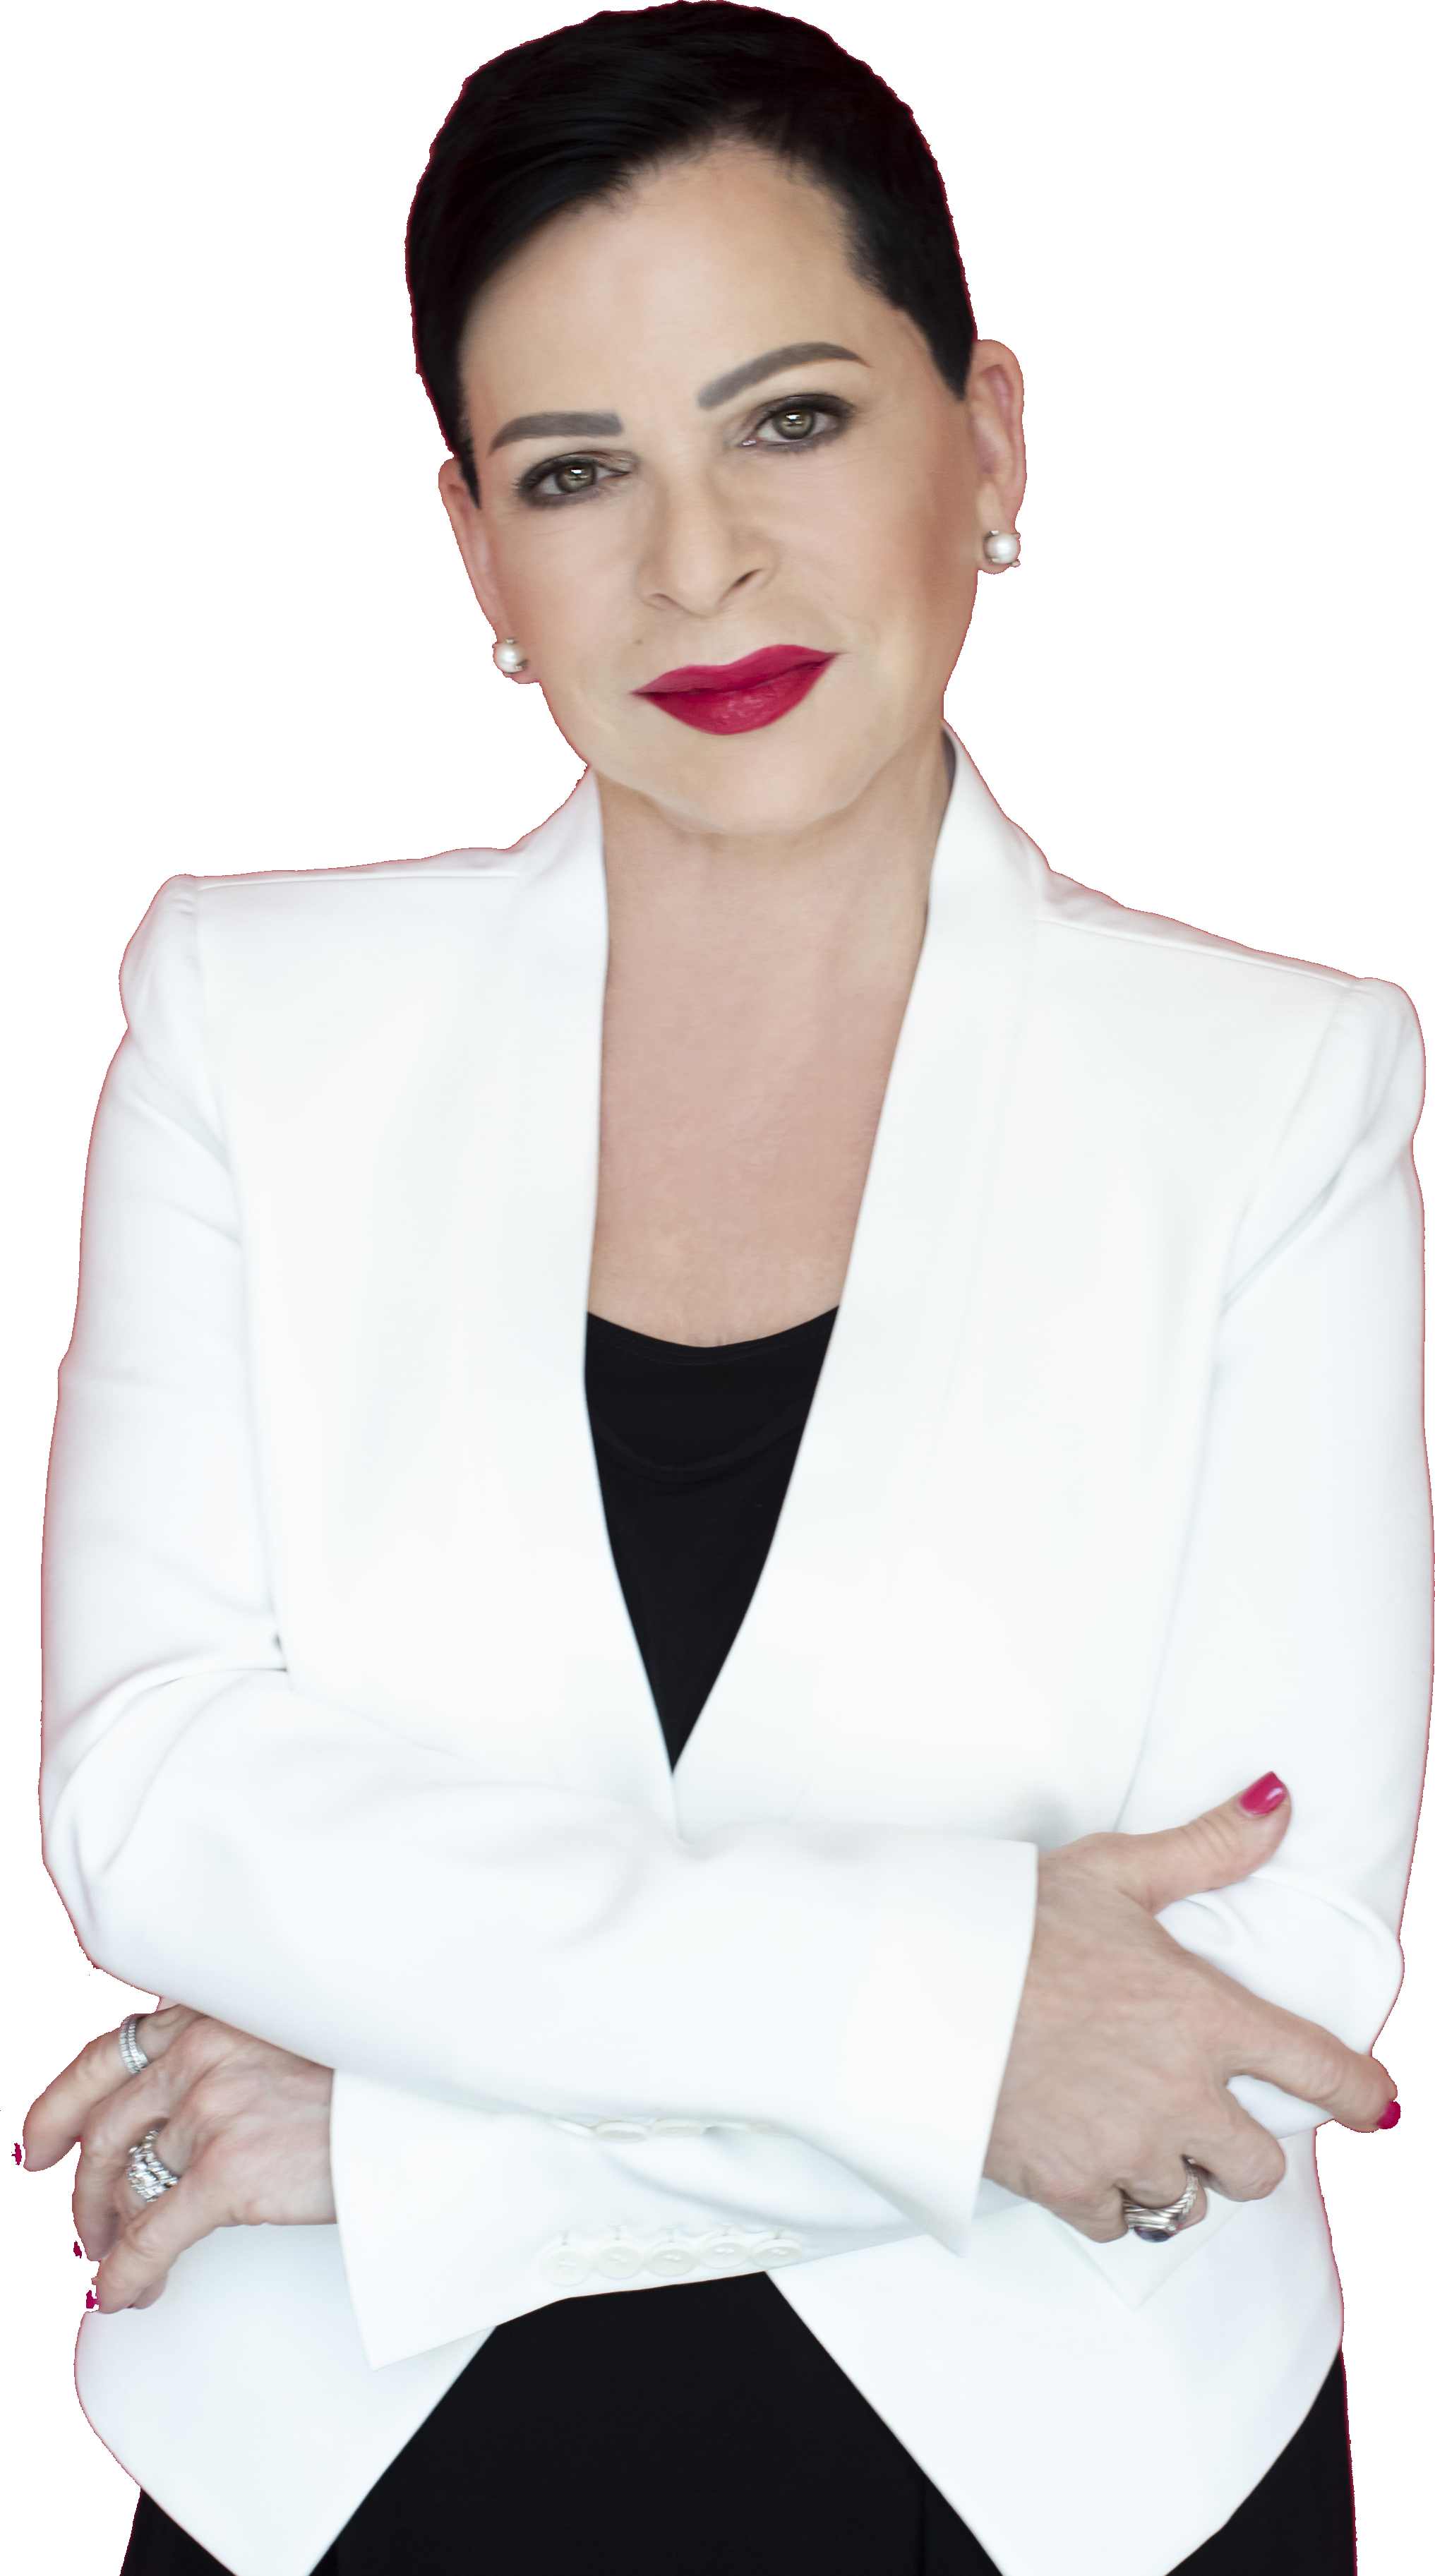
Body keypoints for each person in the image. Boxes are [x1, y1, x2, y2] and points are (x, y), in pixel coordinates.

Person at [24, 8, 1428, 2572]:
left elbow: (1256, 1986)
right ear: (481, 549)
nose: (697, 567)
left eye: (789, 421)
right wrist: (957, 2018)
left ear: (989, 437)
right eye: (578, 472)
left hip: (1078, 2484)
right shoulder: (250, 1026)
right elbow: (165, 1796)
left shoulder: (1278, 1095)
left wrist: (427, 2148)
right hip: (338, 2476)